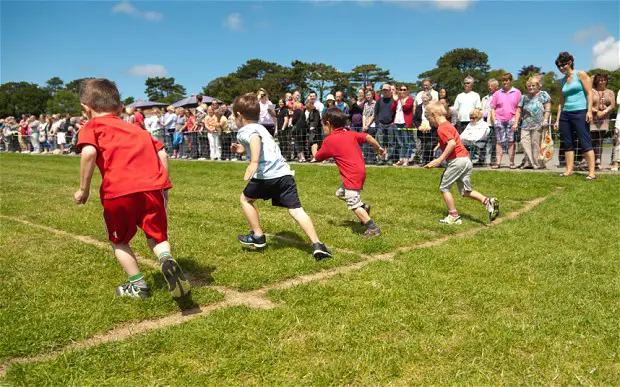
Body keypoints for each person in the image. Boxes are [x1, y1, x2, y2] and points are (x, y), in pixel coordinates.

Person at [73, 78, 190, 300]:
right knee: (156, 236)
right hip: (152, 189)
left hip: (118, 192)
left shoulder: (92, 126)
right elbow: (162, 153)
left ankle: (139, 286)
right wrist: (164, 186)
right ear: (119, 108)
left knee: (119, 240)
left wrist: (83, 190)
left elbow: (89, 153)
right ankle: (165, 257)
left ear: (85, 109)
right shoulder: (136, 129)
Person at [230, 92, 332, 260]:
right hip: (284, 174)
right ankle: (317, 244)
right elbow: (259, 143)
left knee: (245, 200)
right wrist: (241, 150)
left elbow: (254, 140)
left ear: (239, 116)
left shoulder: (244, 130)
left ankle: (258, 236)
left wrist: (254, 162)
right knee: (297, 211)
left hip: (265, 175)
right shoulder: (262, 127)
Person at [423, 101, 500, 225]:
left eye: (428, 118)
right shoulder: (448, 125)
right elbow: (453, 138)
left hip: (457, 161)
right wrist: (439, 145)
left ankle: (453, 215)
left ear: (434, 114)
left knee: (444, 188)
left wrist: (439, 159)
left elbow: (452, 143)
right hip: (466, 160)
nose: (430, 122)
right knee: (465, 191)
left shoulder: (442, 128)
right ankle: (488, 201)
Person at [313, 108, 385, 237]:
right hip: (360, 171)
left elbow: (318, 157)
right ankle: (364, 207)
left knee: (353, 203)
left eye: (323, 124)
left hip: (351, 174)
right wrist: (378, 148)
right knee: (340, 193)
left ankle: (373, 228)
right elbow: (367, 136)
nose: (323, 128)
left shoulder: (330, 140)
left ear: (329, 124)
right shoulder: (351, 133)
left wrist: (314, 148)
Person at [554, 51, 596, 180]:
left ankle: (592, 173)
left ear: (570, 62)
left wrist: (589, 111)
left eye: (562, 65)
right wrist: (557, 119)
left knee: (585, 142)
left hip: (580, 112)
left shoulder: (581, 74)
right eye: (558, 66)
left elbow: (589, 93)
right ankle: (568, 170)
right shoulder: (562, 81)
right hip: (566, 114)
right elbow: (561, 101)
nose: (561, 68)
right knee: (567, 143)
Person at [513, 77, 551, 169]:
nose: (531, 87)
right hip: (525, 124)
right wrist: (515, 123)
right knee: (525, 142)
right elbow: (518, 111)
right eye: (529, 86)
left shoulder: (543, 95)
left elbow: (547, 108)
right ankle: (528, 163)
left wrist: (545, 120)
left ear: (538, 86)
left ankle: (538, 163)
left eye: (533, 85)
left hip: (539, 124)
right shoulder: (524, 98)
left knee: (535, 143)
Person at [490, 73, 522, 169]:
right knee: (499, 142)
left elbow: (518, 109)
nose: (505, 82)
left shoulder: (517, 92)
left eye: (507, 80)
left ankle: (511, 163)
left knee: (511, 142)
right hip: (499, 120)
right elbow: (492, 108)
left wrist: (516, 122)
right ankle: (498, 163)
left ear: (511, 80)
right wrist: (494, 120)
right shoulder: (497, 93)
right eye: (503, 80)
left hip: (511, 120)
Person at [590, 73, 615, 171]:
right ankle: (589, 162)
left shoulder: (610, 92)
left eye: (604, 79)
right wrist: (596, 111)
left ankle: (598, 161)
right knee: (591, 139)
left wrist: (604, 112)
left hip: (604, 119)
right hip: (592, 118)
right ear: (596, 81)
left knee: (600, 140)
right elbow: (587, 103)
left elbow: (612, 105)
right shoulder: (591, 91)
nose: (602, 81)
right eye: (600, 80)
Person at [391, 84, 415, 166]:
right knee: (400, 143)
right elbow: (392, 109)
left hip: (405, 124)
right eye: (401, 89)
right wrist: (396, 100)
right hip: (397, 123)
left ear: (407, 91)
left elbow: (407, 108)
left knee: (407, 143)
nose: (402, 91)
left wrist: (401, 101)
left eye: (404, 90)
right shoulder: (397, 100)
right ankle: (401, 159)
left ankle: (406, 160)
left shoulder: (410, 99)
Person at [413, 92, 438, 165]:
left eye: (425, 97)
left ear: (429, 98)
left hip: (431, 129)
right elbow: (415, 119)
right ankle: (424, 161)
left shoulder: (433, 107)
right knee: (423, 146)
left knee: (430, 145)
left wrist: (431, 126)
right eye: (423, 97)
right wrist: (419, 126)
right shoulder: (418, 107)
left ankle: (430, 161)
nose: (424, 99)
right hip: (421, 130)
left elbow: (436, 118)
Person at [374, 84, 396, 165]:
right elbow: (375, 112)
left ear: (390, 91)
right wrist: (377, 122)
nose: (385, 91)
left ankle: (389, 159)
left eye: (386, 90)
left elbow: (395, 113)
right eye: (383, 90)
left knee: (391, 142)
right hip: (381, 124)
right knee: (380, 143)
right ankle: (381, 159)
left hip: (390, 124)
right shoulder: (379, 101)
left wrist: (393, 122)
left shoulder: (393, 101)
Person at [480, 79, 499, 165]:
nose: (489, 87)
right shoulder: (485, 98)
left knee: (493, 142)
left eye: (491, 85)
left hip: (493, 122)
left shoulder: (498, 96)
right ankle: (481, 159)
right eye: (489, 85)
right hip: (484, 121)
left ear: (496, 87)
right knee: (482, 140)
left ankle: (493, 159)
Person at [362, 90, 377, 163]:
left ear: (372, 95)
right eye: (366, 95)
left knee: (371, 142)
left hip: (372, 125)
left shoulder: (375, 103)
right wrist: (364, 125)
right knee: (365, 142)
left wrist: (368, 125)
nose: (368, 96)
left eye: (369, 95)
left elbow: (373, 115)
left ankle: (372, 158)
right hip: (365, 126)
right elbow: (364, 115)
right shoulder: (365, 104)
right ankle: (366, 157)